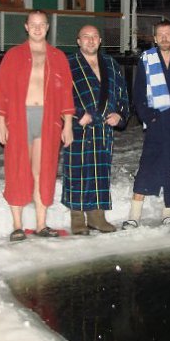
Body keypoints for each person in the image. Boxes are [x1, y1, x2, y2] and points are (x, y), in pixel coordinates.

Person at [0, 10, 74, 241]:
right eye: (33, 24)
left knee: (43, 171)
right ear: (26, 27)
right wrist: (1, 121)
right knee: (18, 169)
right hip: (19, 118)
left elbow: (66, 92)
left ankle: (41, 224)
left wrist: (67, 124)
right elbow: (3, 90)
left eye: (42, 24)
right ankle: (17, 226)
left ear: (47, 27)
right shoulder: (14, 55)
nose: (37, 28)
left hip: (48, 119)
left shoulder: (57, 56)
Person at [123, 19, 170, 229]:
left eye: (168, 34)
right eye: (160, 34)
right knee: (147, 168)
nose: (164, 38)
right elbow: (139, 94)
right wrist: (150, 118)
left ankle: (168, 214)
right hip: (157, 123)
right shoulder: (147, 60)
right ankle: (134, 216)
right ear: (155, 39)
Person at [62, 25, 129, 235]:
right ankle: (77, 218)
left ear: (100, 41)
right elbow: (57, 94)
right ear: (78, 41)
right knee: (77, 171)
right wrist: (77, 114)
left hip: (103, 129)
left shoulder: (111, 64)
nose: (90, 40)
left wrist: (119, 115)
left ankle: (97, 217)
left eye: (94, 37)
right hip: (79, 126)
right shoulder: (67, 64)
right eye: (86, 36)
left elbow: (123, 94)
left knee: (100, 172)